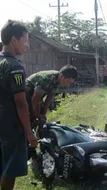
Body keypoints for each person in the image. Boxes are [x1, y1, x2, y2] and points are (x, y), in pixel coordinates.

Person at [0, 20, 37, 190]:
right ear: (14, 40)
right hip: (11, 128)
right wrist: (29, 133)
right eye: (25, 40)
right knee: (10, 169)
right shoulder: (15, 67)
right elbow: (21, 103)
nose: (27, 45)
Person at [25, 65, 78, 130]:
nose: (68, 85)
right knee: (32, 118)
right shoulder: (47, 79)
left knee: (41, 118)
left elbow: (49, 98)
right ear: (62, 76)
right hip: (26, 93)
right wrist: (37, 116)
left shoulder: (58, 81)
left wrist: (43, 115)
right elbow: (35, 100)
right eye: (67, 81)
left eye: (70, 83)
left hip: (36, 95)